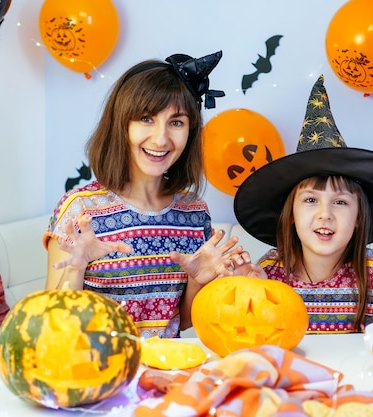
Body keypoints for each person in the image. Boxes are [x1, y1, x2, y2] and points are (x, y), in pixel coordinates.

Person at [43, 51, 243, 339]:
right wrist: (76, 269)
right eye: (146, 118)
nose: (161, 139)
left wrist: (198, 281)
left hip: (167, 375)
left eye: (176, 122)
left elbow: (181, 321)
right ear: (121, 124)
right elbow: (50, 327)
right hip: (98, 373)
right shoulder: (79, 209)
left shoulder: (194, 211)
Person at [232, 75, 373, 333]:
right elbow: (256, 346)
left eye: (340, 202)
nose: (325, 214)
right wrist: (246, 297)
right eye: (311, 200)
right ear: (291, 215)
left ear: (358, 217)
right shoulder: (270, 271)